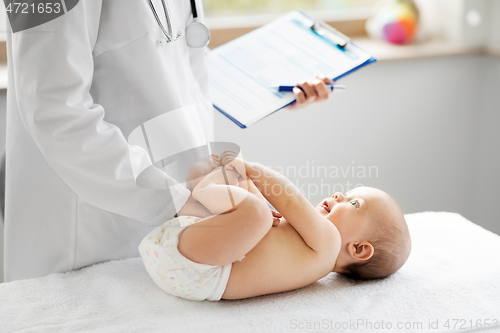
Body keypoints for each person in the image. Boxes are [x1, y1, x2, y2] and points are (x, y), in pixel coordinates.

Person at [3, 0, 333, 282]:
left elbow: (165, 62)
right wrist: (174, 202)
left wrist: (266, 87)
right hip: (88, 232)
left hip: (181, 213)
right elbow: (54, 108)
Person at [139, 151, 412, 301]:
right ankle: (201, 188)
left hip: (202, 269)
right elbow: (268, 225)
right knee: (251, 203)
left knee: (256, 211)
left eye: (354, 204)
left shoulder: (328, 245)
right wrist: (242, 179)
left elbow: (288, 198)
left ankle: (201, 191)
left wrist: (249, 168)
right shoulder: (306, 248)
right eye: (347, 192)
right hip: (198, 253)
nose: (340, 195)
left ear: (359, 249)